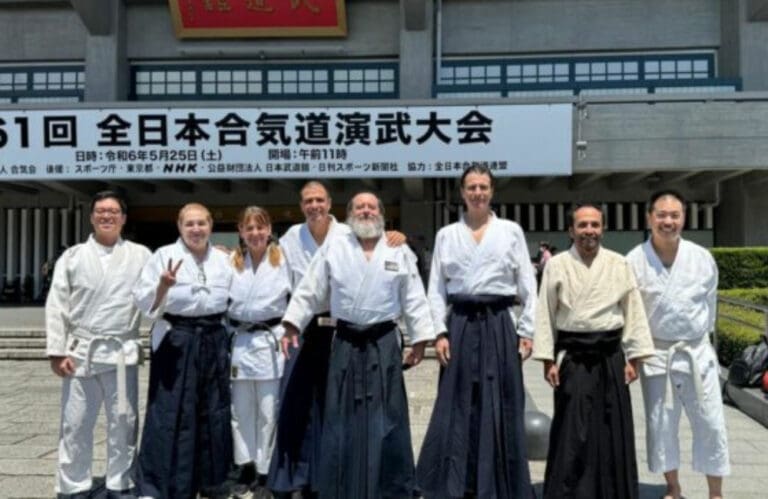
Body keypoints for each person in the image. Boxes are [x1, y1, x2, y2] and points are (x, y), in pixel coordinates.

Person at [280, 191, 435, 499]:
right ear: (350, 214)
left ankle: (389, 488)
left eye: (371, 206)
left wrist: (420, 339)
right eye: (359, 207)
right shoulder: (335, 246)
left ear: (381, 213)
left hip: (384, 341)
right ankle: (342, 486)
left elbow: (413, 296)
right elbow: (310, 288)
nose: (366, 211)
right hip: (346, 342)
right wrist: (292, 323)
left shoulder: (397, 249)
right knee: (341, 416)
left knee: (388, 416)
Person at [416, 165, 537, 499]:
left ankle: (501, 482)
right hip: (460, 322)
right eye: (472, 187)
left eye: (483, 187)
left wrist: (527, 330)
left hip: (499, 322)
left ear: (492, 191)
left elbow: (528, 285)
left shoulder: (510, 231)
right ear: (462, 192)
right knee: (457, 401)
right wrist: (440, 332)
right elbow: (435, 289)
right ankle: (458, 482)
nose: (478, 193)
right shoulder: (446, 235)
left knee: (502, 400)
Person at [532, 203, 654, 499]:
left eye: (595, 225)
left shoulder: (618, 264)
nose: (589, 230)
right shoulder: (557, 264)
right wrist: (547, 360)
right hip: (573, 356)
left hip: (610, 355)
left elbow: (633, 309)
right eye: (583, 225)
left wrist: (635, 358)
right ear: (570, 230)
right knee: (572, 429)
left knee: (612, 427)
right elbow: (545, 312)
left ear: (603, 229)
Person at [45, 191, 151, 499]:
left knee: (124, 423)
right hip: (81, 352)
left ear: (124, 218)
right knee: (75, 423)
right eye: (101, 211)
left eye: (114, 211)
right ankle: (73, 486)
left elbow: (154, 298)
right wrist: (57, 351)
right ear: (92, 217)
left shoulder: (141, 255)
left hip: (121, 352)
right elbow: (57, 304)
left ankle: (121, 483)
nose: (107, 216)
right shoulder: (73, 256)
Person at [626, 190, 729, 499]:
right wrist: (632, 355)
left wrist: (702, 340)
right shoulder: (634, 260)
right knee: (661, 426)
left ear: (683, 218)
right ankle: (673, 487)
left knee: (711, 423)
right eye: (661, 215)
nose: (668, 221)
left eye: (674, 215)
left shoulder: (701, 258)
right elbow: (630, 313)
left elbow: (710, 307)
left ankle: (715, 492)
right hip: (657, 354)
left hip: (696, 351)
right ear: (649, 218)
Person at [132, 203, 234, 499]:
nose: (196, 229)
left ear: (211, 225)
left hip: (213, 338)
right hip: (177, 338)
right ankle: (162, 485)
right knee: (170, 410)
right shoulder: (163, 255)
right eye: (189, 224)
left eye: (201, 223)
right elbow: (143, 301)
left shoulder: (224, 260)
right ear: (179, 226)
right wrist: (163, 286)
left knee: (213, 409)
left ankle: (213, 481)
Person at [228, 206, 292, 498]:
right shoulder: (230, 262)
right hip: (240, 341)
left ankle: (267, 470)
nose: (255, 233)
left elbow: (299, 296)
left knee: (269, 410)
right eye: (249, 228)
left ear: (269, 230)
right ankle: (246, 466)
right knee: (240, 410)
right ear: (240, 231)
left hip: (270, 341)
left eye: (260, 227)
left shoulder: (283, 260)